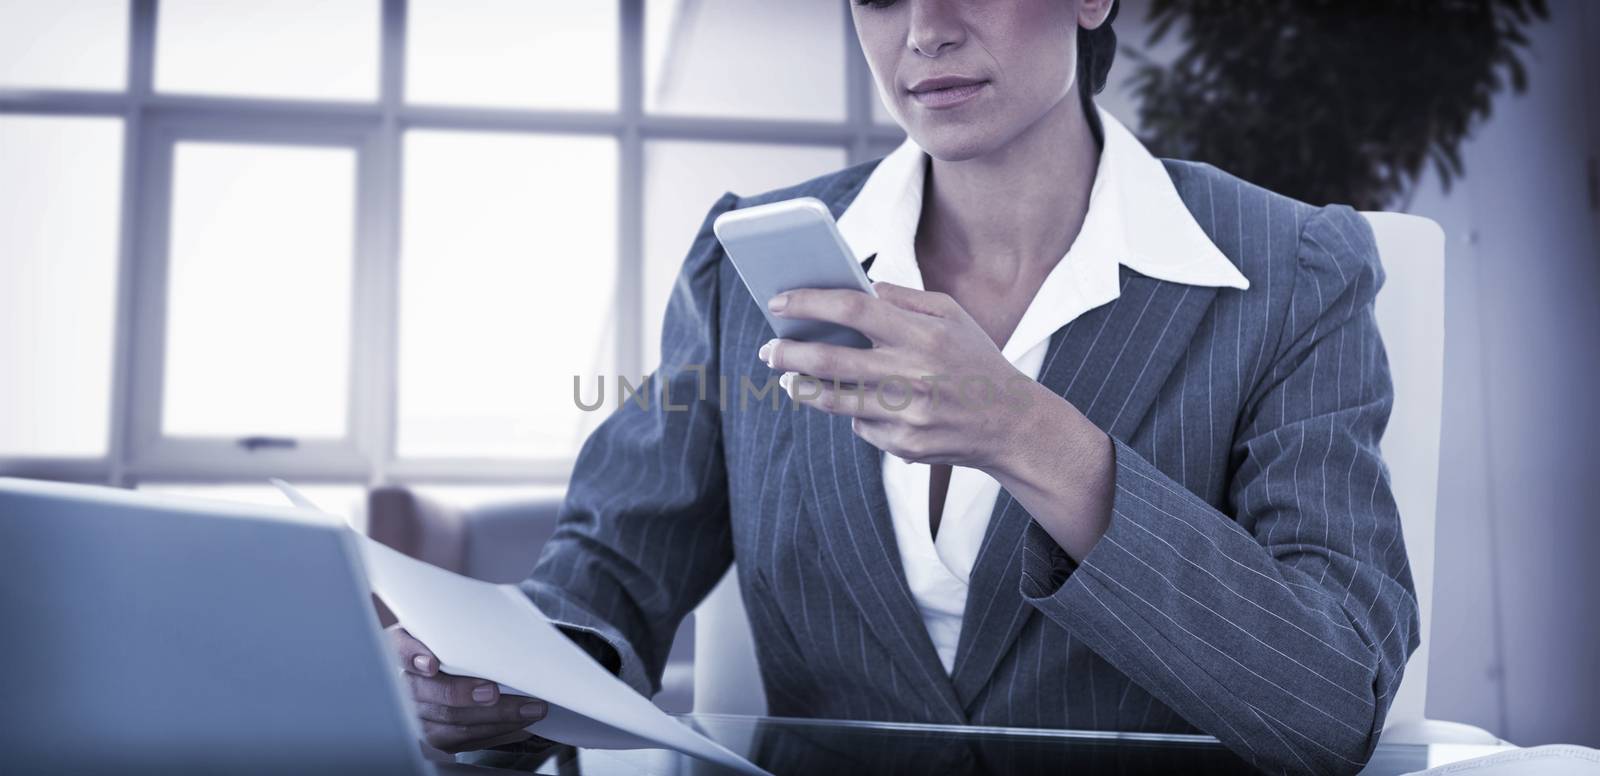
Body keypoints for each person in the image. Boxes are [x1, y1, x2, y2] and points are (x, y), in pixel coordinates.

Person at [391, 0, 1420, 772]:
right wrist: (502, 681)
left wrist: (1029, 434)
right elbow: (610, 565)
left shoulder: (1294, 272)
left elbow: (1327, 702)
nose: (923, 30)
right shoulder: (748, 264)